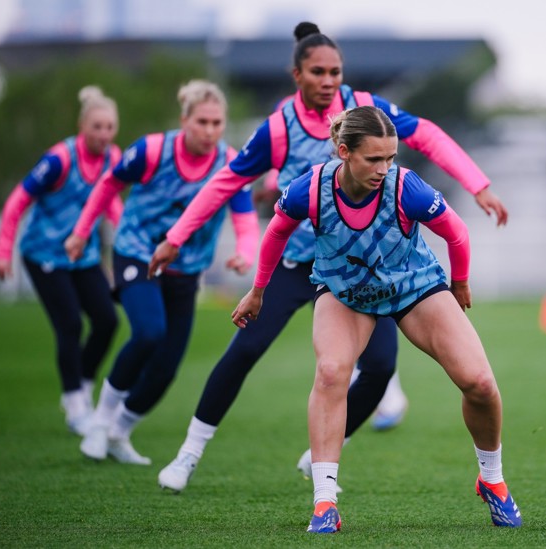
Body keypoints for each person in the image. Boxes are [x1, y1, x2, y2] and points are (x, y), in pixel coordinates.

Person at [150, 22, 508, 493]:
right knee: (246, 349)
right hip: (296, 263)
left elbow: (427, 136)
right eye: (317, 72)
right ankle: (189, 453)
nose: (327, 80)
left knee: (379, 370)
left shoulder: (366, 111)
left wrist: (477, 184)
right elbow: (227, 182)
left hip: (359, 274)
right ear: (296, 75)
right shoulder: (279, 127)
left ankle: (322, 454)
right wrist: (177, 236)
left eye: (335, 71)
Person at [232, 105, 520, 533]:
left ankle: (491, 479)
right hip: (345, 291)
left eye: (390, 157)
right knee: (331, 373)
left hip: (414, 286)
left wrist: (459, 283)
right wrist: (257, 290)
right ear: (344, 152)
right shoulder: (309, 189)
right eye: (374, 159)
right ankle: (324, 502)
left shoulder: (407, 187)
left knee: (479, 382)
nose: (384, 169)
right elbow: (276, 232)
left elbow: (456, 233)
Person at [65, 80, 259, 465]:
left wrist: (245, 251)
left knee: (167, 367)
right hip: (138, 253)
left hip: (186, 268)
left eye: (217, 123)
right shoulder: (152, 150)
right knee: (149, 332)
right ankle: (100, 421)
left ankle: (119, 432)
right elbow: (109, 184)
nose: (209, 130)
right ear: (184, 120)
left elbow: (245, 215)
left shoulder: (231, 162)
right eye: (202, 121)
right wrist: (82, 231)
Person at [0, 86, 122, 435]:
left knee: (107, 320)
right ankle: (74, 403)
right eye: (97, 127)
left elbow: (112, 203)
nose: (104, 134)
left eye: (110, 127)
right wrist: (3, 251)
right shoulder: (59, 160)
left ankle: (83, 385)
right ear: (82, 127)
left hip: (84, 255)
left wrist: (128, 239)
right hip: (44, 254)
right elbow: (17, 201)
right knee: (70, 325)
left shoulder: (113, 158)